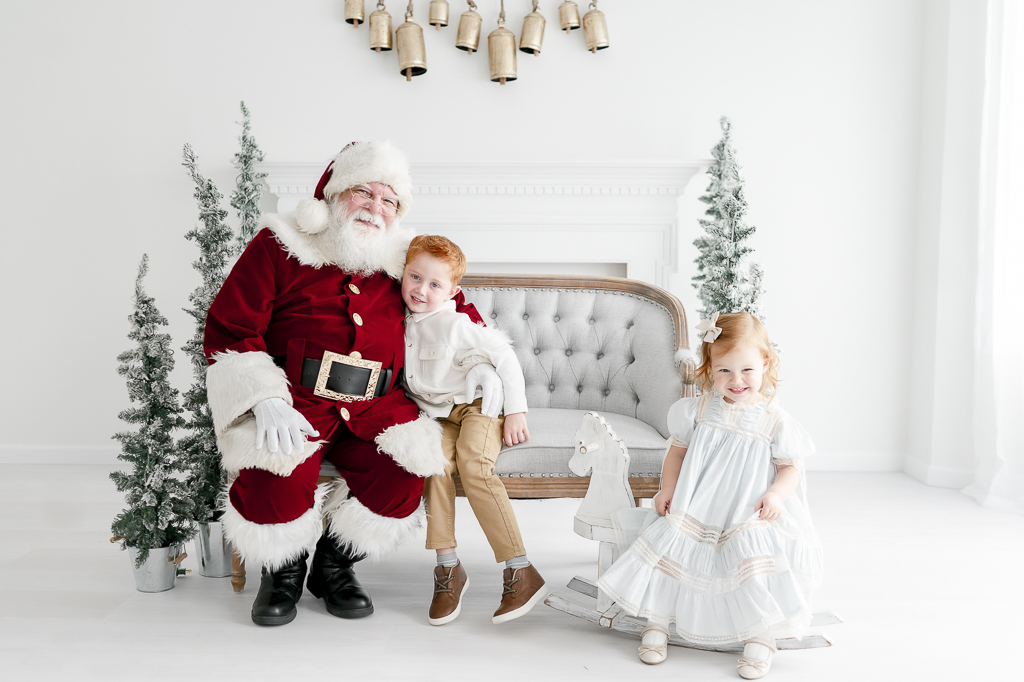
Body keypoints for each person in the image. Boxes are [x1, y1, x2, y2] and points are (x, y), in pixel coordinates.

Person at [203, 141, 504, 626]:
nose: (376, 208)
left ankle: (333, 567)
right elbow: (230, 329)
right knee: (272, 475)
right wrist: (262, 399)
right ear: (333, 193)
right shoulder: (278, 245)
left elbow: (457, 309)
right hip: (296, 401)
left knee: (406, 471)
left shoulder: (407, 259)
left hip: (376, 405)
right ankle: (282, 571)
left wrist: (483, 362)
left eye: (390, 201)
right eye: (364, 192)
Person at [597, 312, 823, 679]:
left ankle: (760, 635)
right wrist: (667, 487)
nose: (736, 381)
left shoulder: (774, 420)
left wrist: (777, 495)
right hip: (696, 503)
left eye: (747, 370)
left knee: (750, 563)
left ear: (765, 364)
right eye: (724, 371)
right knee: (674, 553)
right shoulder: (698, 409)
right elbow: (677, 452)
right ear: (710, 368)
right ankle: (658, 621)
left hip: (745, 509)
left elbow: (790, 467)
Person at [400, 235, 548, 626]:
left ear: (452, 292)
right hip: (438, 414)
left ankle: (521, 570)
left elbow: (504, 355)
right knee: (434, 464)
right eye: (415, 277)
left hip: (479, 406)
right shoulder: (398, 323)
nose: (421, 290)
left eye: (434, 285)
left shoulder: (455, 323)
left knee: (474, 465)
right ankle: (448, 569)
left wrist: (516, 411)